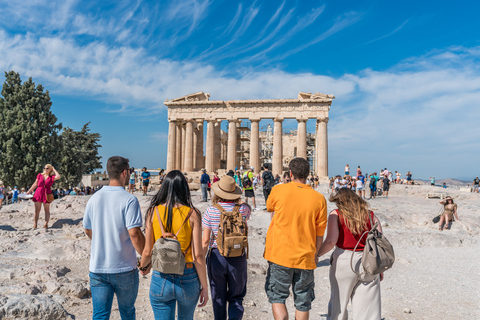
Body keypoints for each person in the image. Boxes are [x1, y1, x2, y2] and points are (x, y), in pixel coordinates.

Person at [139, 170, 208, 319]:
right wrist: (205, 286)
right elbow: (198, 255)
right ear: (184, 188)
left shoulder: (153, 212)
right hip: (187, 275)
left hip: (161, 276)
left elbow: (146, 251)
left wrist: (143, 267)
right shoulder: (193, 214)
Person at [264, 158, 327, 320]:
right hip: (306, 257)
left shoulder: (279, 191)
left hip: (279, 254)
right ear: (308, 174)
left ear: (290, 174)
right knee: (302, 302)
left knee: (278, 298)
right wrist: (317, 255)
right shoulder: (319, 199)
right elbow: (320, 234)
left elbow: (269, 206)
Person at [83, 156, 145, 319]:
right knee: (127, 312)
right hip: (124, 267)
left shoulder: (94, 198)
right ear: (125, 172)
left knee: (100, 314)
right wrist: (147, 255)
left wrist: (104, 241)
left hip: (98, 268)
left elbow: (88, 229)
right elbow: (135, 234)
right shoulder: (130, 200)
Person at [317, 188, 383, 320]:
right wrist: (379, 267)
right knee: (368, 309)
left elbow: (331, 241)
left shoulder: (336, 214)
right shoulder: (370, 215)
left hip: (344, 258)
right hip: (368, 259)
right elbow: (379, 241)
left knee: (339, 303)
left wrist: (317, 254)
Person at [202, 175, 251, 320]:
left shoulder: (211, 211)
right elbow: (248, 208)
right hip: (238, 256)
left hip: (217, 257)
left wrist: (199, 262)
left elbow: (205, 241)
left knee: (218, 297)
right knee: (237, 296)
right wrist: (239, 201)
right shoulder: (243, 210)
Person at [26, 164, 61, 229]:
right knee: (37, 210)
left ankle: (46, 224)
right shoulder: (40, 175)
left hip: (47, 193)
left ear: (50, 169)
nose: (45, 169)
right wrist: (30, 190)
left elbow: (58, 176)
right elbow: (35, 184)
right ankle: (35, 224)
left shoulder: (52, 177)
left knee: (46, 210)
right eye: (44, 168)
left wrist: (54, 169)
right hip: (38, 192)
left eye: (47, 168)